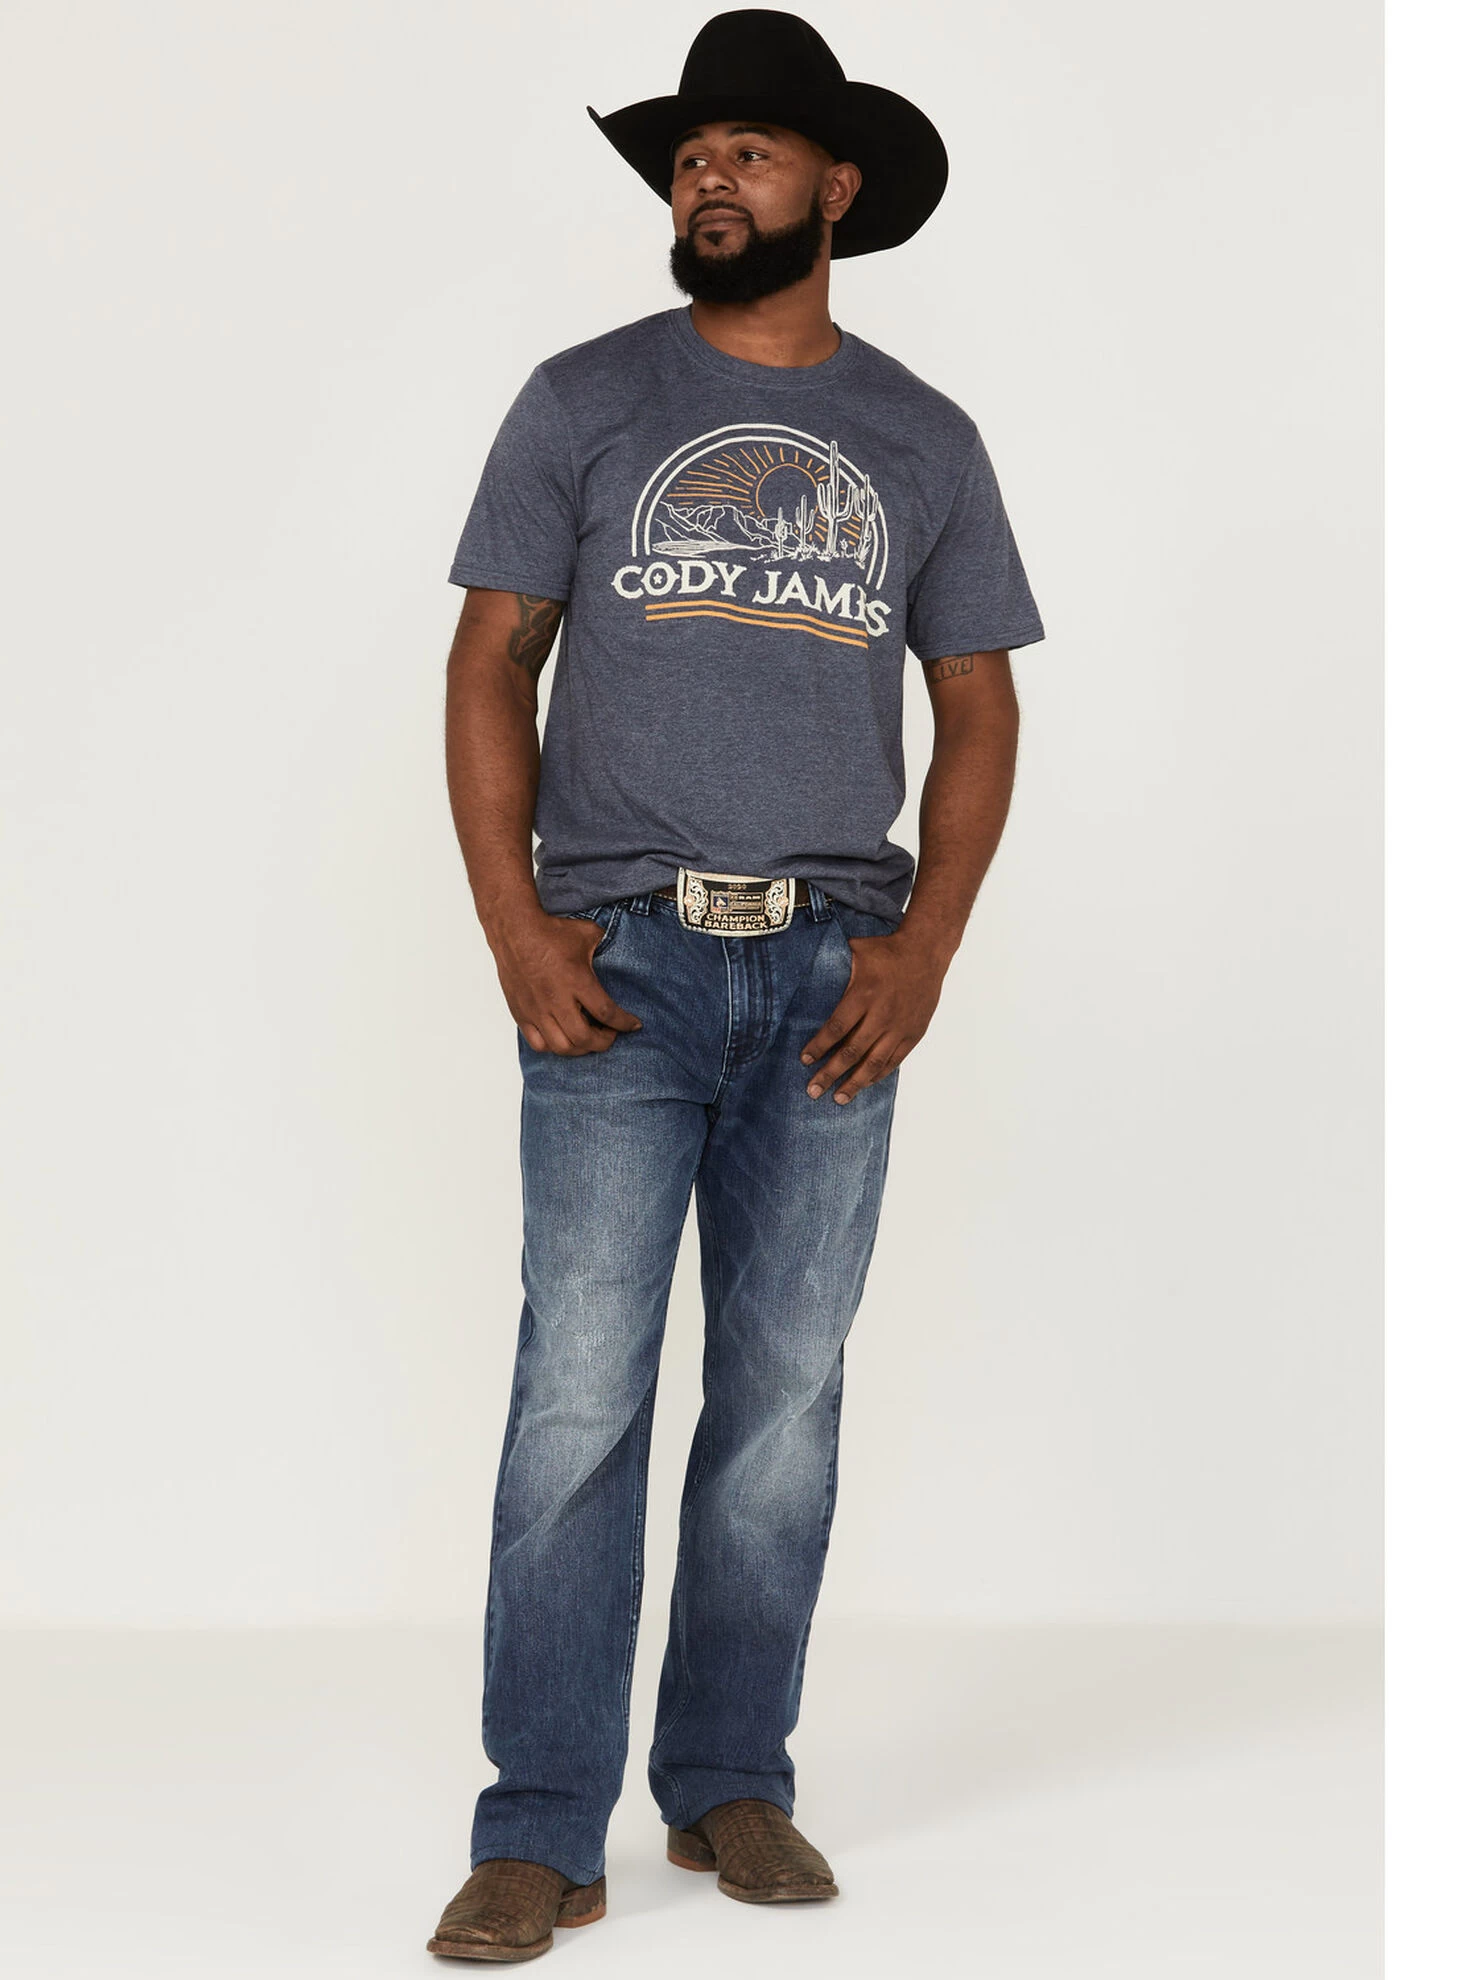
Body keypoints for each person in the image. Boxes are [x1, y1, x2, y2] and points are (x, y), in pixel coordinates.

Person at [428, 9, 1044, 1961]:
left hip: (836, 976)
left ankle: (726, 1781)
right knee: (580, 1396)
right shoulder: (583, 399)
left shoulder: (925, 440)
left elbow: (978, 705)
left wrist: (928, 943)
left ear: (835, 189)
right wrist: (515, 926)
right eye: (693, 153)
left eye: (751, 151)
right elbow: (487, 661)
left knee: (781, 1397)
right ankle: (540, 1827)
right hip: (617, 964)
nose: (711, 175)